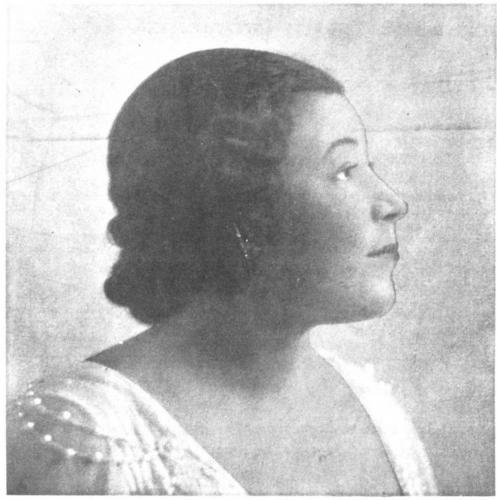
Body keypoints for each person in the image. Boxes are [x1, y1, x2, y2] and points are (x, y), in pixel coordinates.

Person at [7, 48, 437, 495]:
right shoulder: (82, 439)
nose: (393, 203)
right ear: (241, 211)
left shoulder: (378, 411)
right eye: (345, 171)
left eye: (369, 168)